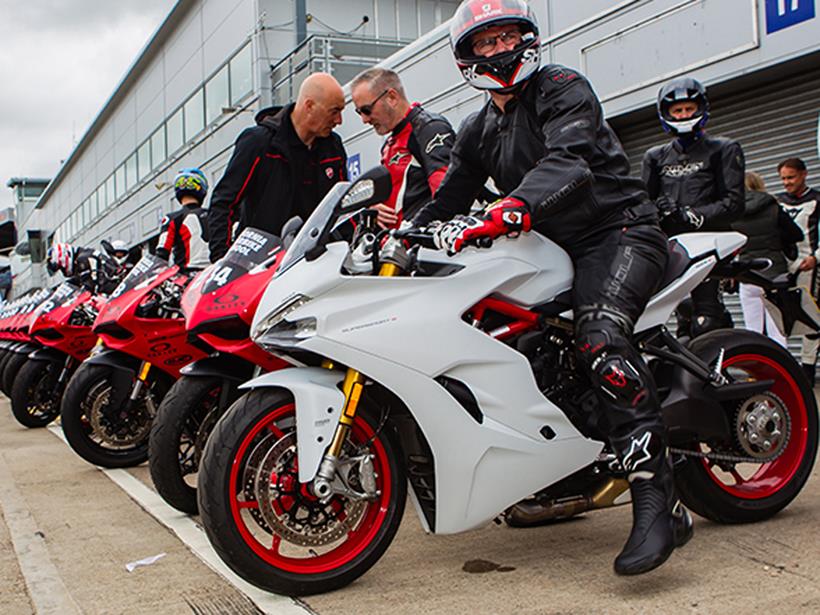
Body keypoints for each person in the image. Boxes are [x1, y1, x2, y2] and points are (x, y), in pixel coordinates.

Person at [412, 0, 692, 576]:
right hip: (551, 249)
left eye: (507, 36)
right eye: (485, 43)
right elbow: (449, 198)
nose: (499, 50)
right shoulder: (477, 128)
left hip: (618, 232)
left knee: (600, 341)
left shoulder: (563, 87)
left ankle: (657, 497)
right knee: (509, 343)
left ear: (528, 39)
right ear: (467, 56)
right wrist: (406, 236)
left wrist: (510, 207)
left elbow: (572, 162)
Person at [642, 77, 745, 337]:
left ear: (701, 108)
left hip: (711, 244)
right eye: (677, 110)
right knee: (672, 316)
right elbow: (643, 203)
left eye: (689, 108)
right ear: (666, 114)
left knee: (706, 318)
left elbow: (734, 203)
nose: (684, 115)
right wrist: (660, 210)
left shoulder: (724, 148)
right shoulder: (654, 157)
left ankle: (720, 366)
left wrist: (694, 216)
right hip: (672, 246)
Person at [208, 72, 347, 261]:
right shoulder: (258, 143)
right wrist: (221, 260)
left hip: (313, 262)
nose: (339, 120)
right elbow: (223, 202)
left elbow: (341, 204)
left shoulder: (333, 147)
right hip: (259, 265)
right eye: (334, 111)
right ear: (309, 106)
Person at [350, 68, 455, 228]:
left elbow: (447, 194)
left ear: (392, 97)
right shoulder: (390, 143)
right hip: (395, 245)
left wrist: (415, 230)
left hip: (419, 245)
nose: (364, 119)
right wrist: (374, 209)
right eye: (359, 112)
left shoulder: (428, 129)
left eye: (367, 110)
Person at [732, 171, 803, 347]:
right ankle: (781, 371)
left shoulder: (733, 211)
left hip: (748, 275)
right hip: (775, 276)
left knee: (752, 331)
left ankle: (755, 372)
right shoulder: (773, 206)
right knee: (778, 332)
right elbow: (796, 234)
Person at [777, 157, 820, 382]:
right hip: (784, 267)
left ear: (804, 174)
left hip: (809, 266)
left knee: (811, 317)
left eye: (791, 177)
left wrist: (816, 257)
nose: (787, 183)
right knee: (781, 318)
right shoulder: (778, 202)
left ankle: (808, 369)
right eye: (783, 178)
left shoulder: (817, 200)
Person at [156, 168, 211, 270]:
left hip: (186, 279)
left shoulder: (172, 218)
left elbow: (162, 252)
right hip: (215, 276)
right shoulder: (214, 214)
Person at [46, 242, 119, 294]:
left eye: (61, 268)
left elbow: (88, 288)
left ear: (65, 259)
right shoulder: (83, 255)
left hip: (111, 289)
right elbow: (77, 280)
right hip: (111, 288)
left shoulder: (82, 259)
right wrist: (57, 289)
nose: (63, 271)